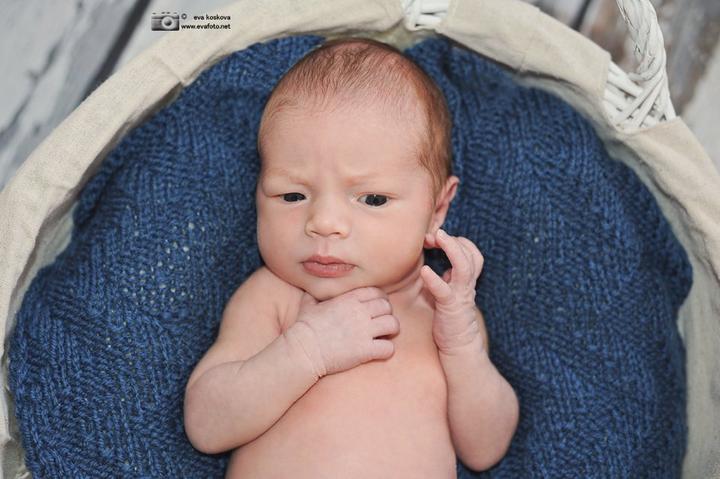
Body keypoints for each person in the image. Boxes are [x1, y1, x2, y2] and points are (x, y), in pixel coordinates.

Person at [183, 36, 519, 478]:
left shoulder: (445, 311)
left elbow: (485, 449)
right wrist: (307, 349)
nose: (324, 222)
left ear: (437, 209)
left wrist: (462, 347)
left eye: (372, 199)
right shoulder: (275, 297)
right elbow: (206, 425)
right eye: (292, 195)